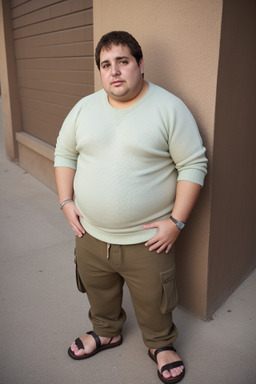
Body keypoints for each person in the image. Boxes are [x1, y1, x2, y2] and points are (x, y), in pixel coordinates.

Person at [54, 31, 207, 384]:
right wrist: (66, 201)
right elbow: (64, 153)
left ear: (139, 64)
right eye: (106, 65)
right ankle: (106, 331)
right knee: (98, 289)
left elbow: (193, 166)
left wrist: (176, 222)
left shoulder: (169, 108)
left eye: (122, 61)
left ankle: (160, 344)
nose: (115, 71)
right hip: (90, 232)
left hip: (147, 239)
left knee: (155, 299)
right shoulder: (84, 108)